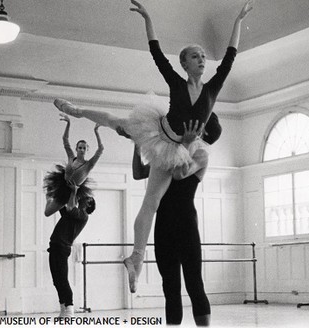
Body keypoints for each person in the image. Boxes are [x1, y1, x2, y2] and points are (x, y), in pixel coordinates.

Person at [53, 0, 253, 293]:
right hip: (158, 132)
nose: (201, 60)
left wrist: (238, 19)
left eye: (202, 56)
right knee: (113, 121)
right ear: (184, 64)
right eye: (194, 57)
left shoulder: (212, 88)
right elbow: (156, 53)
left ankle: (135, 259)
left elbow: (230, 56)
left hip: (176, 148)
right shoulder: (176, 82)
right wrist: (148, 18)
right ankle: (78, 110)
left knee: (152, 202)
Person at [130, 113, 221, 326]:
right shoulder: (170, 150)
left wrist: (184, 144)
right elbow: (138, 172)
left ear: (202, 131)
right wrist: (137, 145)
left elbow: (180, 173)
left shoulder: (201, 154)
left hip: (186, 223)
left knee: (193, 283)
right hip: (163, 224)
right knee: (169, 286)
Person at [48, 181, 96, 318]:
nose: (84, 198)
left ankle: (69, 310)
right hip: (55, 246)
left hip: (62, 248)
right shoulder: (73, 214)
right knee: (56, 280)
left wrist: (74, 191)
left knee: (62, 278)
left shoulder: (83, 215)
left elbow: (69, 208)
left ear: (89, 205)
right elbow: (64, 207)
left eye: (87, 199)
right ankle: (63, 308)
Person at [43, 114, 103, 217]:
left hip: (72, 192)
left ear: (87, 150)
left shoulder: (89, 164)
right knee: (47, 211)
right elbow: (65, 140)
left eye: (84, 148)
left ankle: (59, 204)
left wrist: (96, 132)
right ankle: (49, 198)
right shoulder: (71, 157)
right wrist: (68, 124)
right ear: (76, 149)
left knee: (61, 212)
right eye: (80, 148)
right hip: (62, 184)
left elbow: (100, 149)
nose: (82, 150)